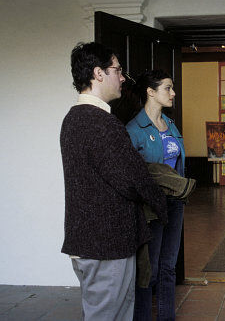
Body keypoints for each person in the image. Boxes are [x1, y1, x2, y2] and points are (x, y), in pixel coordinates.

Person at [60, 42, 167, 320]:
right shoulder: (102, 123)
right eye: (117, 70)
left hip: (87, 240)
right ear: (98, 73)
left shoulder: (72, 118)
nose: (122, 78)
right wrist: (161, 201)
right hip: (107, 244)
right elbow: (132, 180)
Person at [126, 70, 185, 321]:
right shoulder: (134, 129)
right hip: (150, 205)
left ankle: (166, 317)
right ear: (150, 91)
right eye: (167, 88)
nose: (173, 93)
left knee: (169, 267)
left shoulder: (170, 124)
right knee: (148, 269)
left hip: (174, 202)